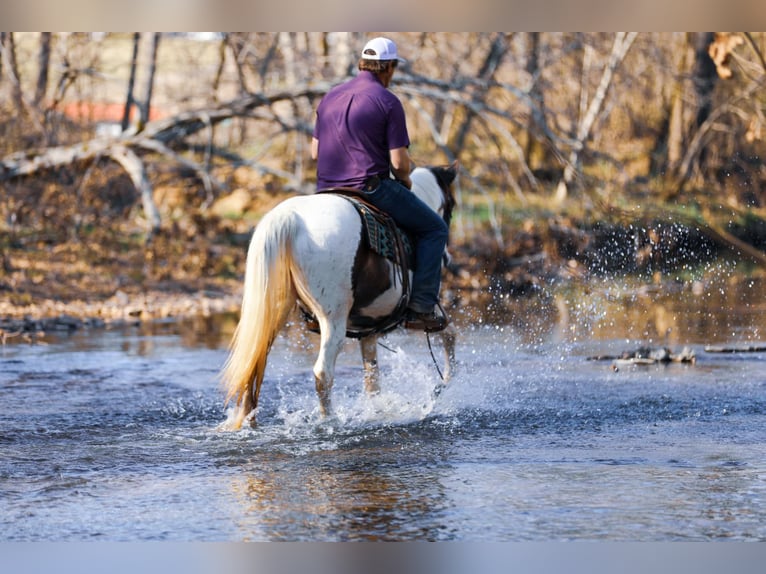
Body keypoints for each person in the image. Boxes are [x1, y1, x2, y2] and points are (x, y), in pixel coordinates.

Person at [311, 36, 449, 332]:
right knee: (435, 229)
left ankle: (313, 309)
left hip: (325, 189)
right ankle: (422, 308)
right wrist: (406, 180)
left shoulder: (330, 96)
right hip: (370, 187)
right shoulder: (388, 101)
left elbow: (314, 152)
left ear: (362, 64)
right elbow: (399, 163)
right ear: (388, 67)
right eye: (393, 69)